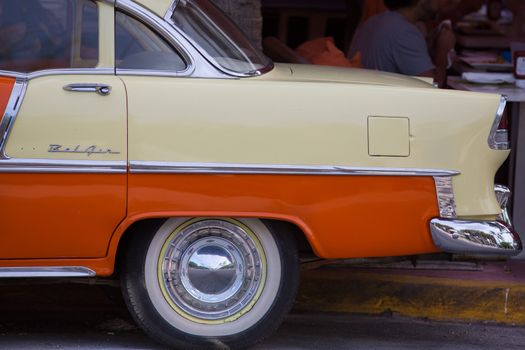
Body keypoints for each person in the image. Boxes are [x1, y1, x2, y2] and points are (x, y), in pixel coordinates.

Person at [348, 0, 457, 87]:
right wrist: (443, 51)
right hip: (386, 107)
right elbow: (433, 87)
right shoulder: (405, 32)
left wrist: (429, 47)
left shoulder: (374, 20)